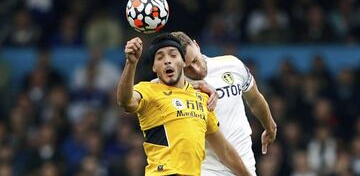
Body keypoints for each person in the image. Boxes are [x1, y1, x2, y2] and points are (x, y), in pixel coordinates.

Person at [117, 33, 251, 176]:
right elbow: (125, 102)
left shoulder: (201, 98)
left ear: (183, 61)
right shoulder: (148, 91)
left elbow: (224, 150)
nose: (167, 61)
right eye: (160, 58)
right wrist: (131, 63)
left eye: (173, 55)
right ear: (154, 68)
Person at [171, 31, 277, 176]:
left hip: (245, 163)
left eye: (195, 61)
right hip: (207, 169)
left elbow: (254, 99)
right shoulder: (174, 88)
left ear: (196, 45)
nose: (195, 70)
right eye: (186, 68)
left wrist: (269, 126)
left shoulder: (231, 64)